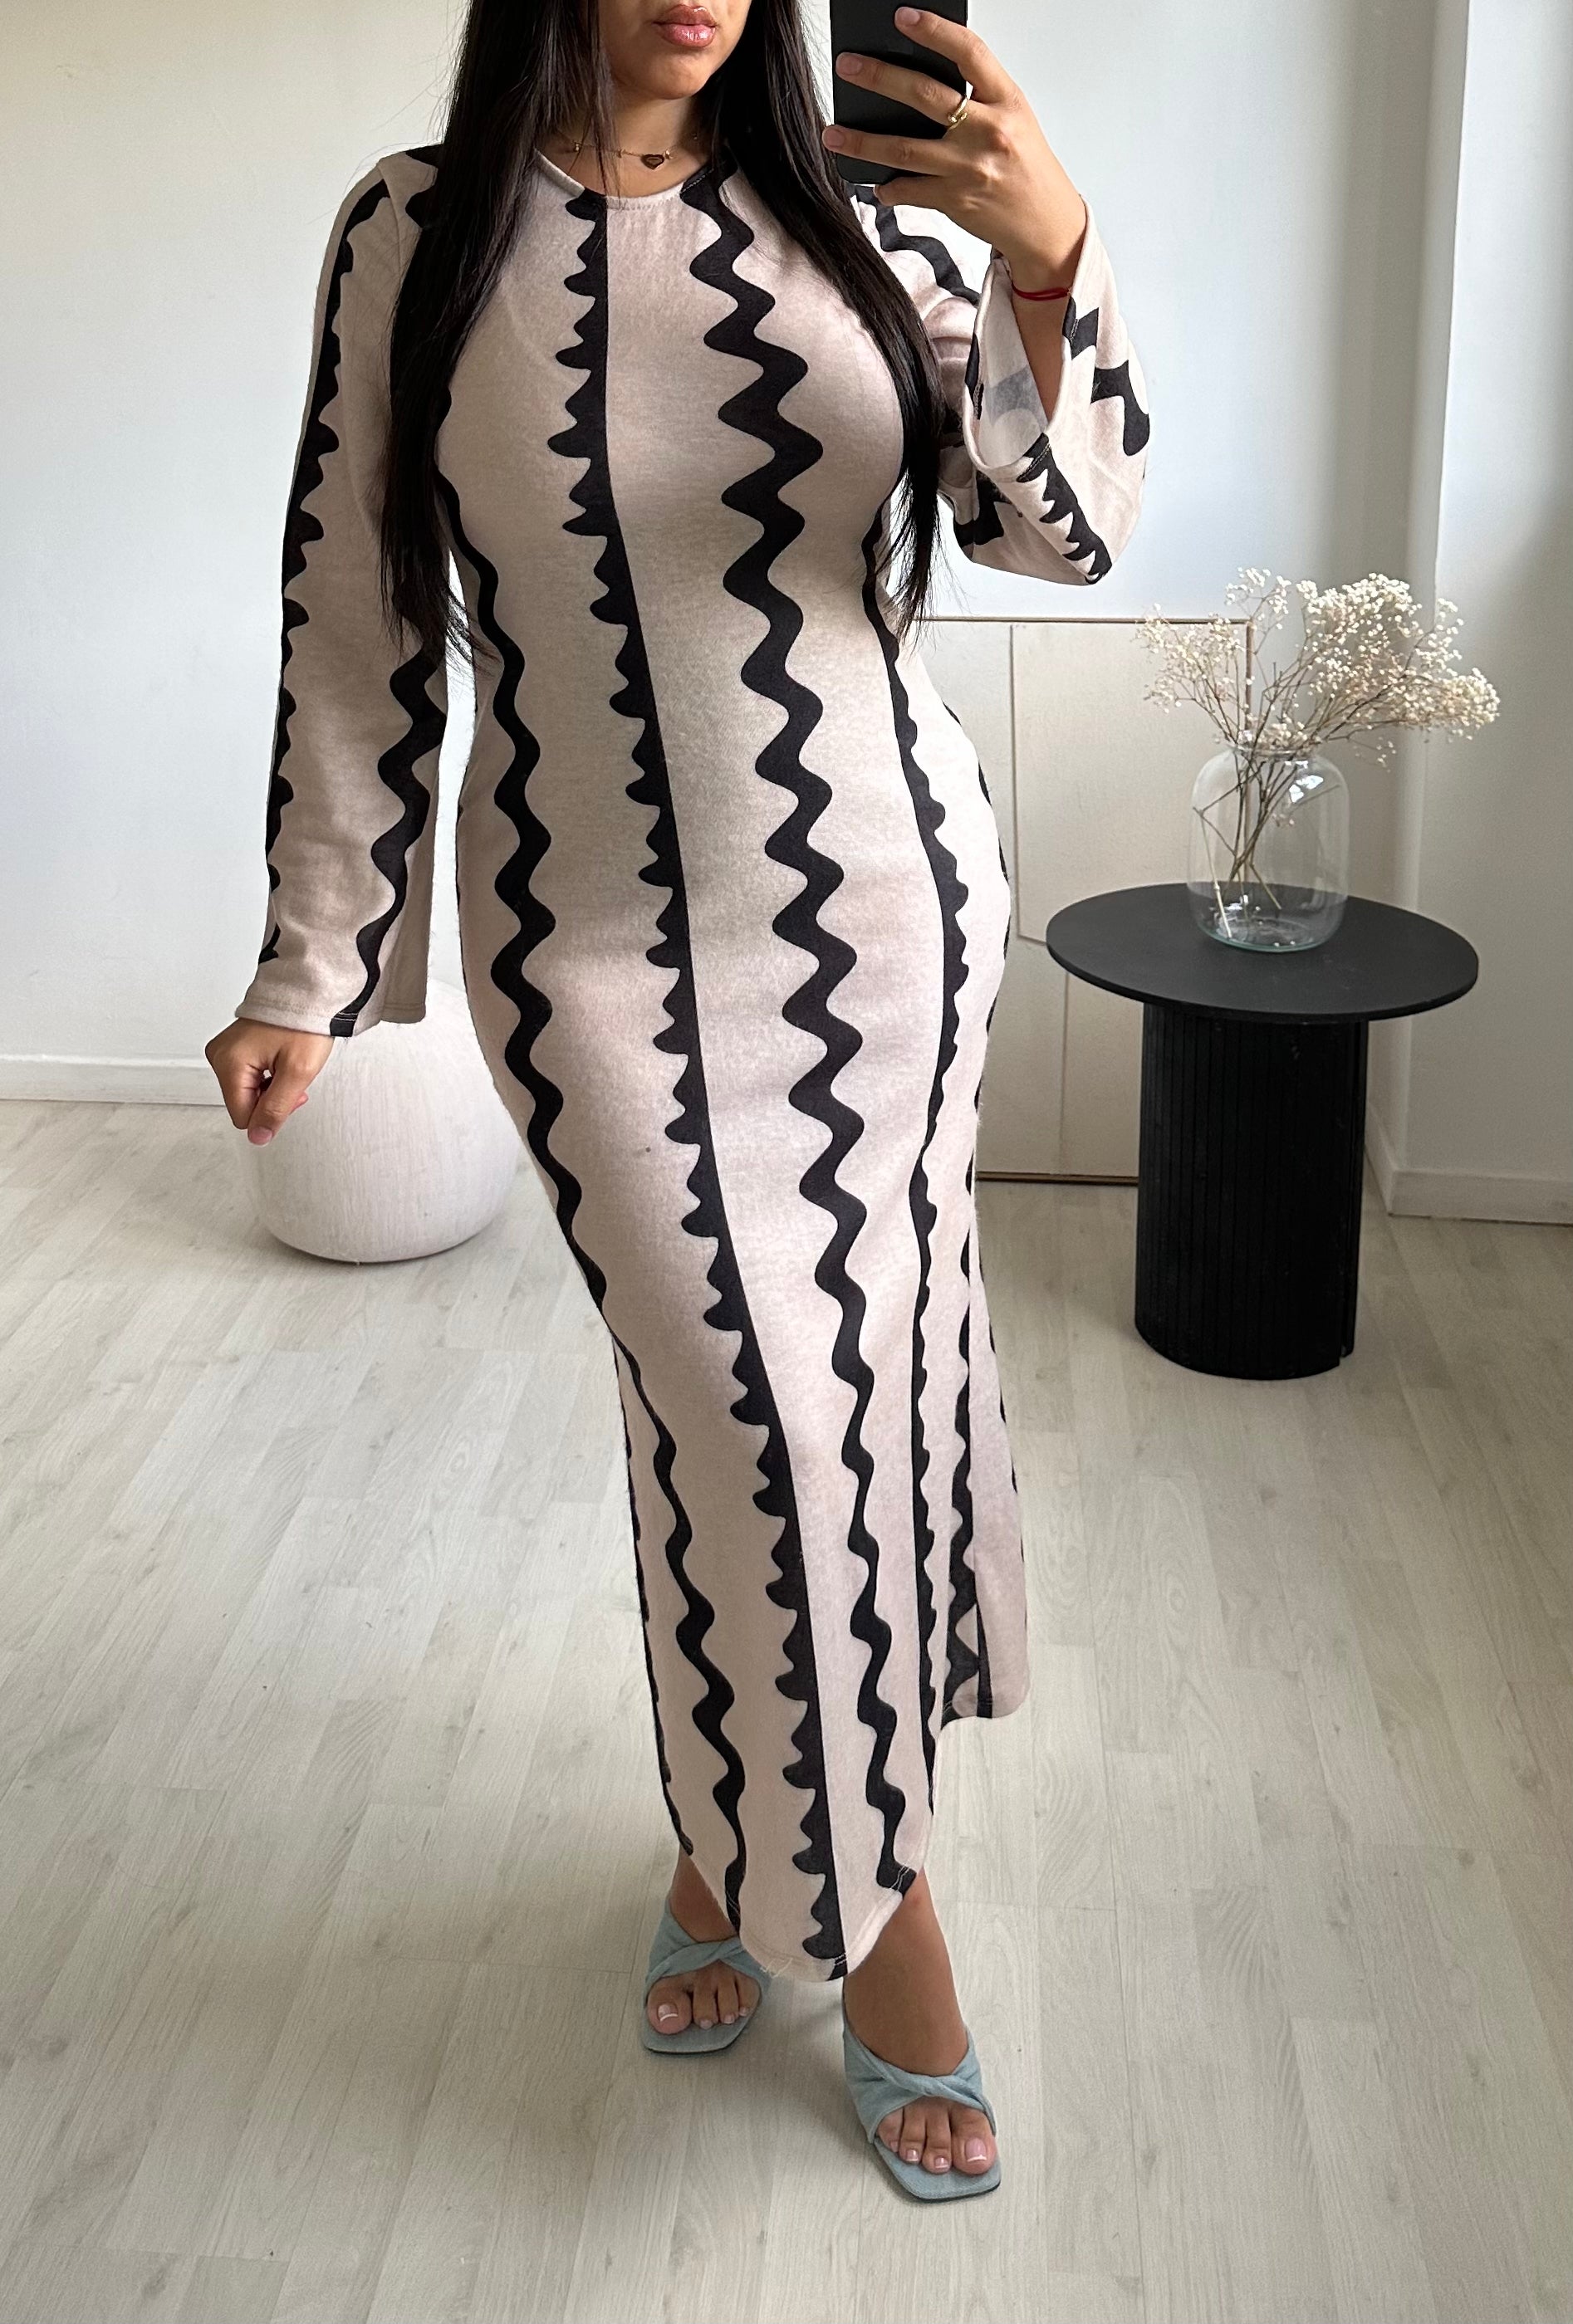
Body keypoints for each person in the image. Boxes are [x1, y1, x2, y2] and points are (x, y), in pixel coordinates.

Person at [205, 0, 1148, 2201]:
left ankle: (746, 1845)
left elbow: (1061, 532)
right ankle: (883, 1915)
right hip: (586, 949)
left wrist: (1049, 257)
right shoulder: (415, 233)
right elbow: (355, 619)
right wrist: (312, 960)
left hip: (888, 925)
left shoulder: (873, 222)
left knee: (845, 1397)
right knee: (746, 1414)